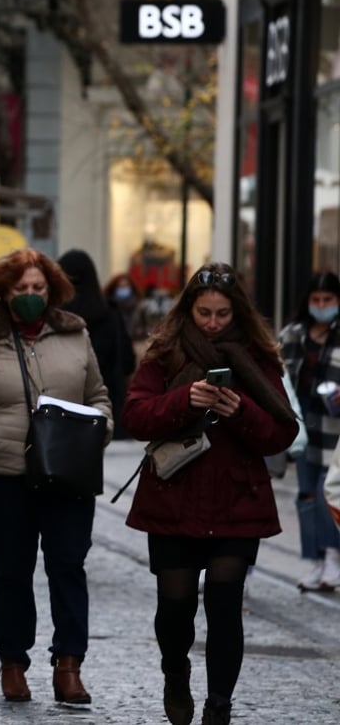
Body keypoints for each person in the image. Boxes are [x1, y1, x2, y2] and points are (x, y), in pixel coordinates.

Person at [123, 262, 297, 725]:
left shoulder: (257, 356)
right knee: (175, 605)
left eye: (222, 313)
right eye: (204, 313)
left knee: (225, 601)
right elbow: (136, 417)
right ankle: (176, 674)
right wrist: (185, 401)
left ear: (236, 311)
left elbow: (281, 433)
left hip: (237, 498)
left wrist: (239, 411)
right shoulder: (165, 351)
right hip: (173, 494)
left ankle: (220, 703)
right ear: (189, 309)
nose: (214, 322)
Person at [0, 248, 112, 706]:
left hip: (69, 470)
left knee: (67, 565)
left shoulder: (75, 333)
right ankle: (13, 662)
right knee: (13, 569)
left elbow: (99, 393)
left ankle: (69, 664)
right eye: (21, 288)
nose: (30, 296)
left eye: (38, 288)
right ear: (1, 291)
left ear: (52, 289)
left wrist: (99, 429)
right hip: (5, 473)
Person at [277, 271, 340, 591]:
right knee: (306, 495)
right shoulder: (293, 334)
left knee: (327, 493)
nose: (322, 306)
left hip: (334, 429)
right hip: (302, 423)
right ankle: (315, 561)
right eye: (316, 300)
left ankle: (333, 557)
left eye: (328, 300)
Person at [58, 250, 136, 439]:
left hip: (60, 413)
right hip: (107, 411)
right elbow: (127, 361)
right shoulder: (110, 314)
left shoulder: (55, 317)